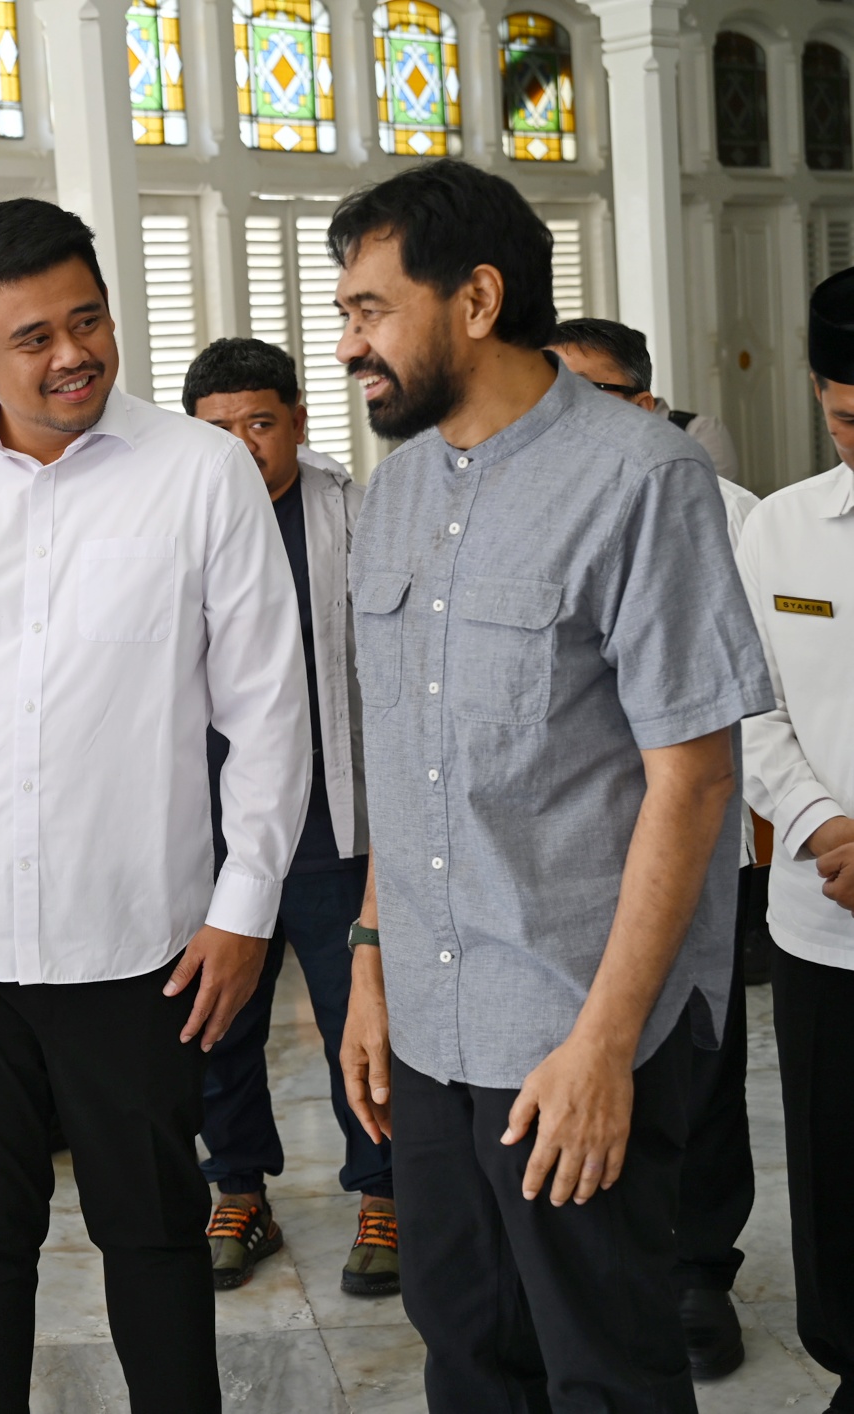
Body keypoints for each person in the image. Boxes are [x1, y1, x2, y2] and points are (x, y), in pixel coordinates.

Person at [0, 199, 313, 1413]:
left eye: (88, 320)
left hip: (141, 951)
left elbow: (269, 710)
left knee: (156, 1236)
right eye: (33, 337)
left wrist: (243, 909)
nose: (73, 353)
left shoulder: (199, 473)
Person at [331, 159, 772, 1413]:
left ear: (476, 299)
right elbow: (408, 756)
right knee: (465, 1349)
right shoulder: (397, 489)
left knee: (604, 1369)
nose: (350, 343)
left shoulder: (641, 478)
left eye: (371, 309)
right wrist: (370, 961)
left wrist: (603, 1045)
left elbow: (693, 781)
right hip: (428, 1023)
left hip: (573, 1026)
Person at [548, 314, 764, 1380]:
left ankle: (698, 1270)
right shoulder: (516, 508)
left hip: (690, 843)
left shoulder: (730, 515)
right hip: (562, 857)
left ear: (645, 405)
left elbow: (758, 704)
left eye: (588, 395)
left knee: (696, 1065)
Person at [182, 340, 394, 1296]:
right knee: (214, 1022)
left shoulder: (354, 514)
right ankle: (237, 1189)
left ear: (298, 423)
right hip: (208, 831)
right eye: (218, 430)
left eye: (259, 423)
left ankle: (384, 1190)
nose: (241, 446)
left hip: (332, 826)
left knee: (361, 1014)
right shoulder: (168, 518)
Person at [740, 266, 854, 1414]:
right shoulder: (777, 531)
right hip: (824, 922)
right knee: (833, 1174)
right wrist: (821, 823)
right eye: (849, 419)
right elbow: (749, 705)